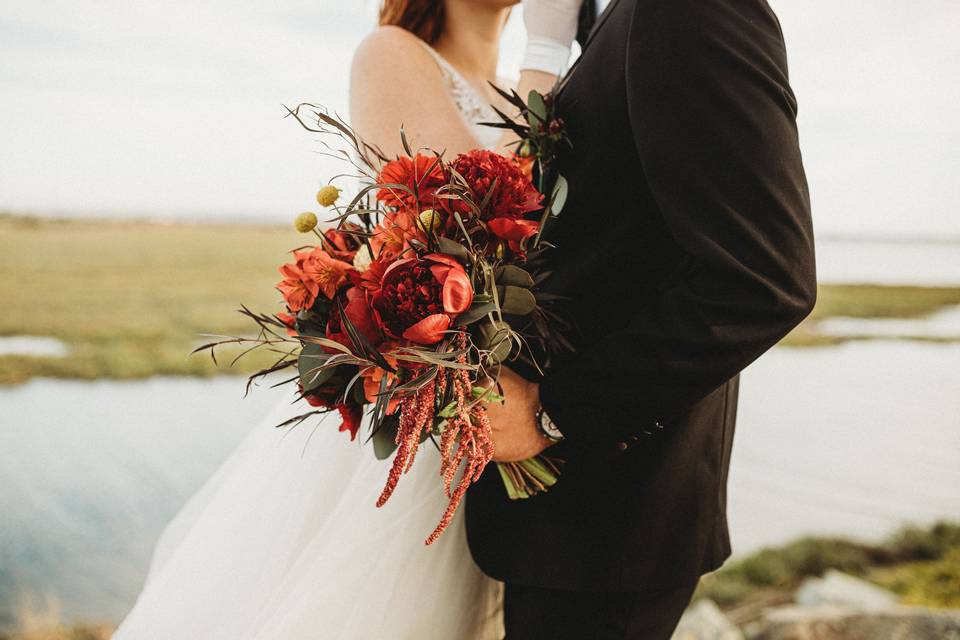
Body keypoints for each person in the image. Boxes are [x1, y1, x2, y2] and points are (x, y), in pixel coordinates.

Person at [113, 1, 544, 638]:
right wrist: (550, 52)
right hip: (423, 423)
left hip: (496, 413)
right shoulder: (394, 51)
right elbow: (468, 222)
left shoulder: (515, 87)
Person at [467, 0, 817, 638]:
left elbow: (763, 279)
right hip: (570, 528)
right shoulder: (613, 16)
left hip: (614, 518)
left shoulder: (693, 9)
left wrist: (554, 412)